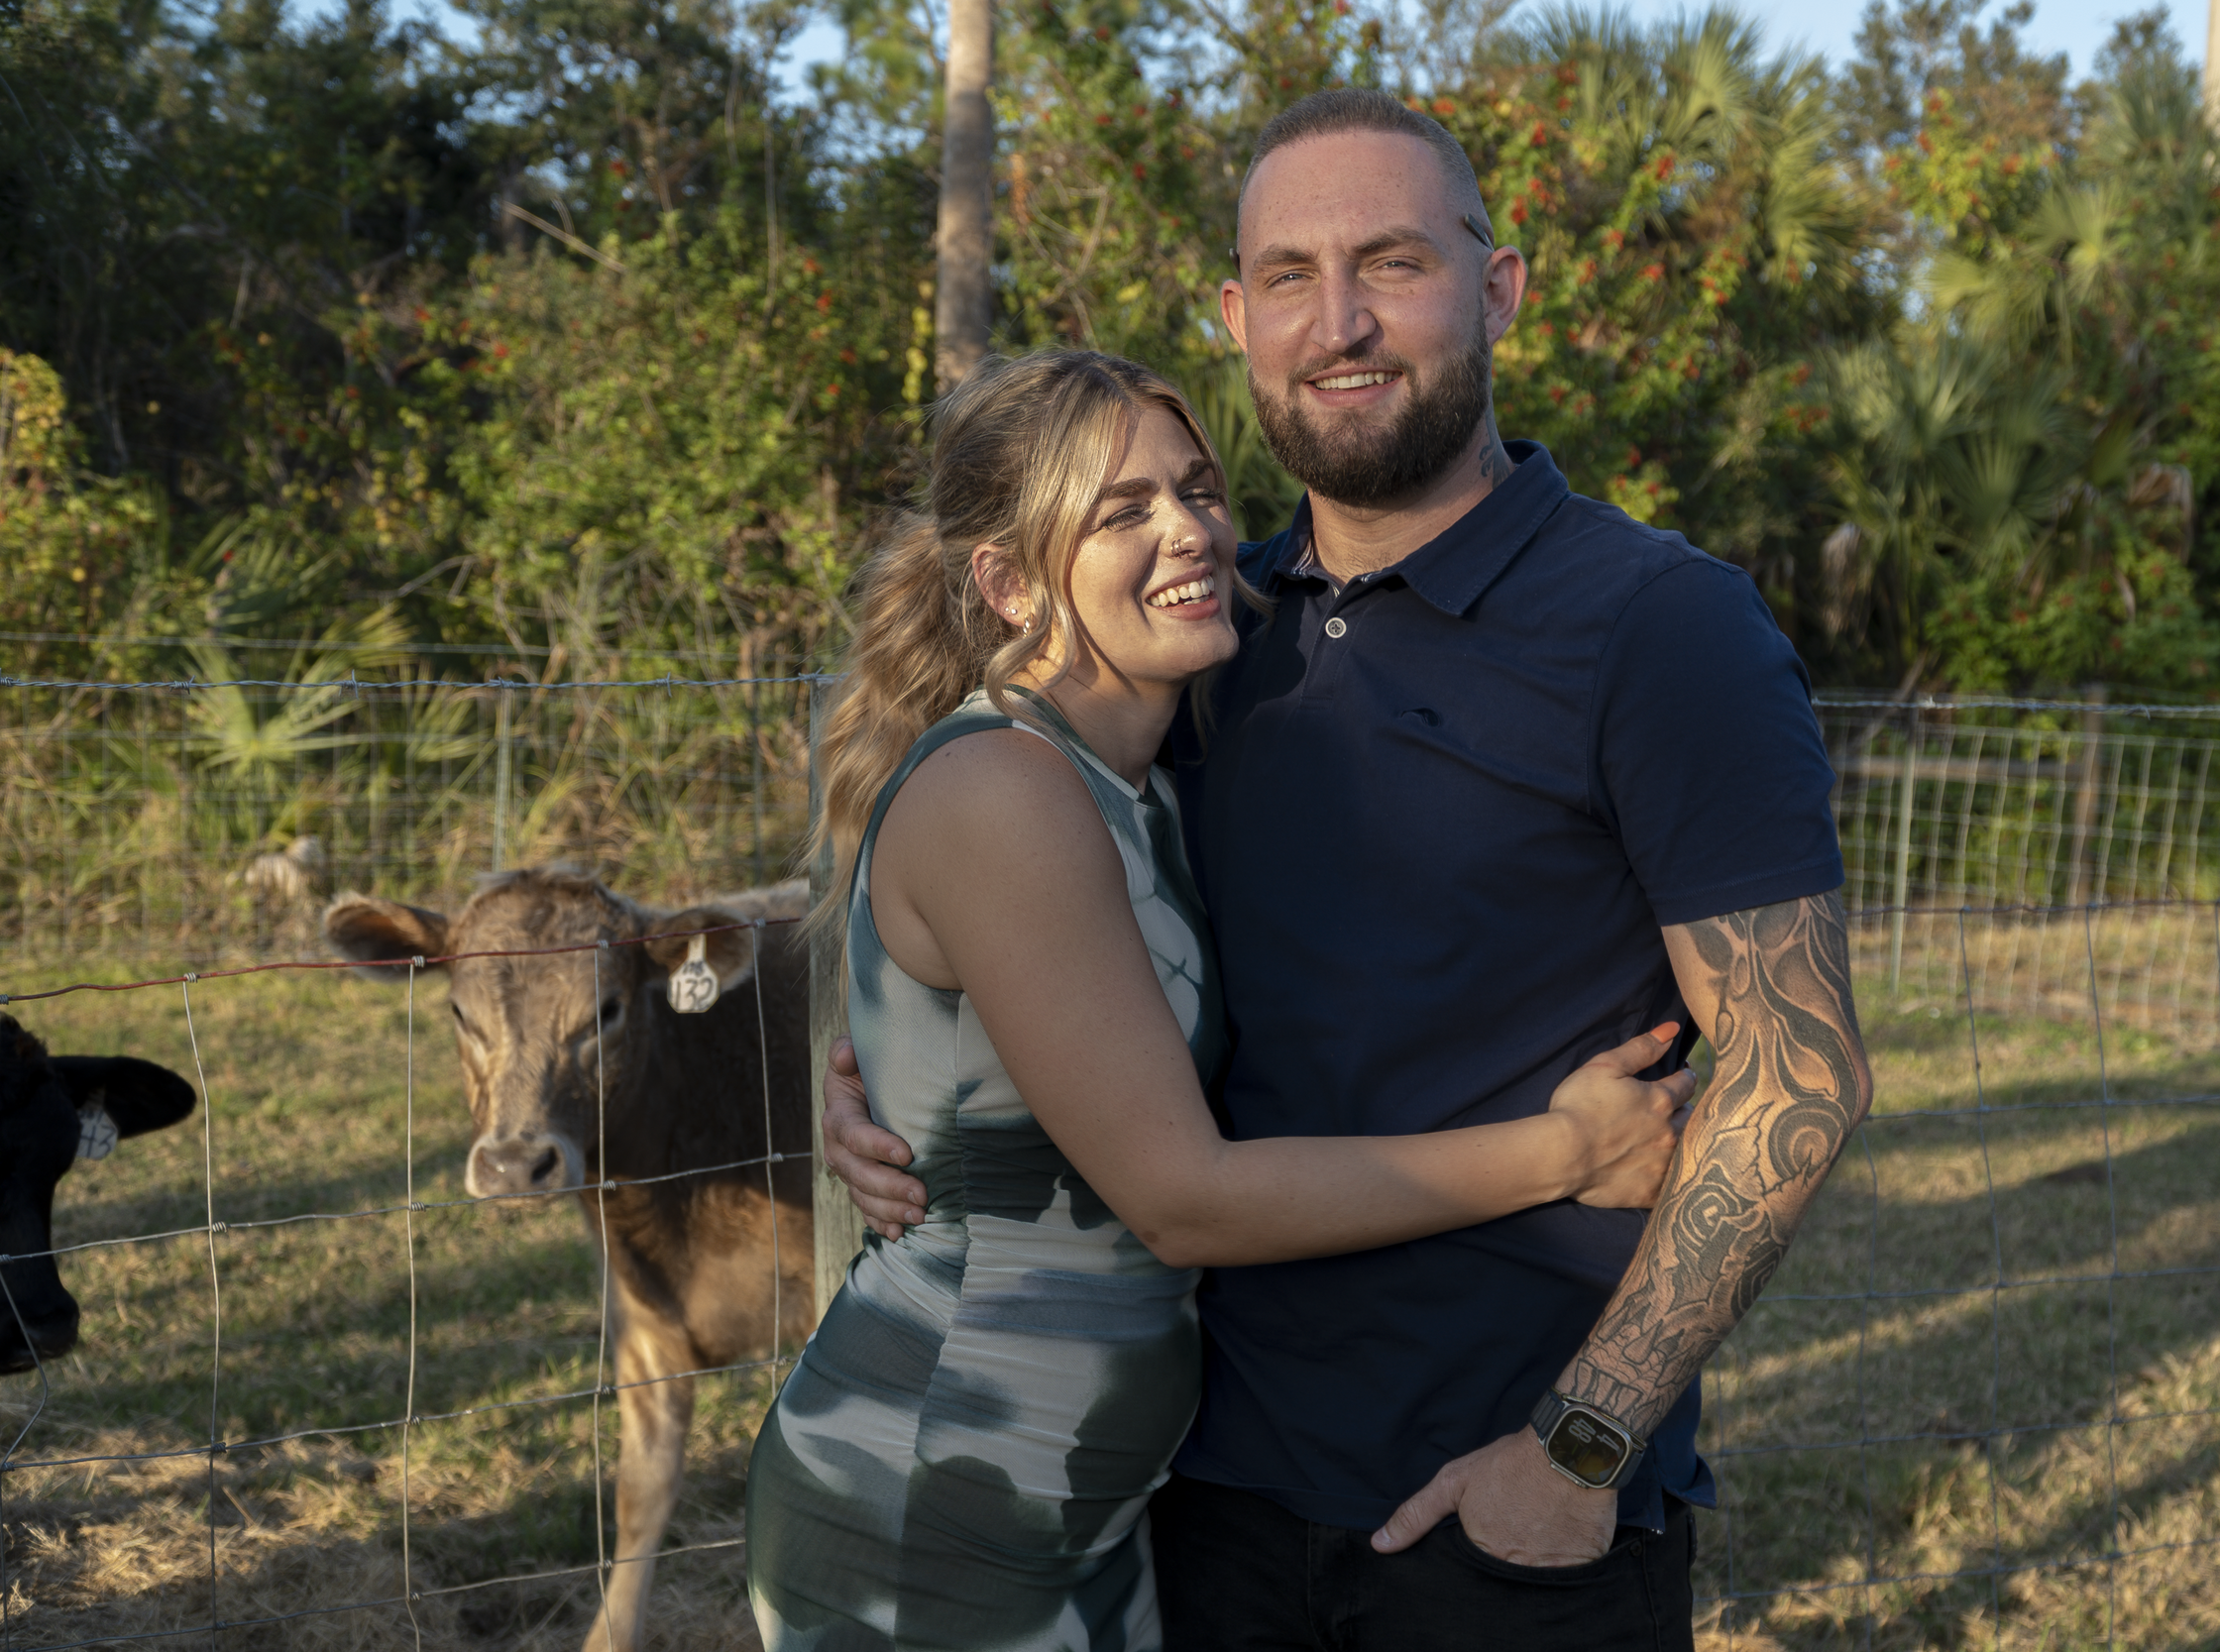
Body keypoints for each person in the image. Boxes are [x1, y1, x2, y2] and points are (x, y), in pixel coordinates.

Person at [821, 91, 1876, 1651]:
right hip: (1192, 1501)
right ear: (1236, 318)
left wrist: (1582, 1445)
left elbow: (1801, 1068)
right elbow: (1005, 905)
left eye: (1392, 262)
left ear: (1498, 289)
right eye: (1290, 277)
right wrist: (894, 1085)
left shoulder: (1661, 627)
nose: (1340, 324)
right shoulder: (1202, 635)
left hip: (1500, 1516)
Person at [744, 347, 1700, 1652]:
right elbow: (1182, 1197)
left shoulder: (1140, 780)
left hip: (1087, 1509)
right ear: (1009, 583)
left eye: (1196, 488)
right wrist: (1566, 1151)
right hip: (934, 1496)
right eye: (1121, 510)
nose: (1190, 530)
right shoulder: (1007, 792)